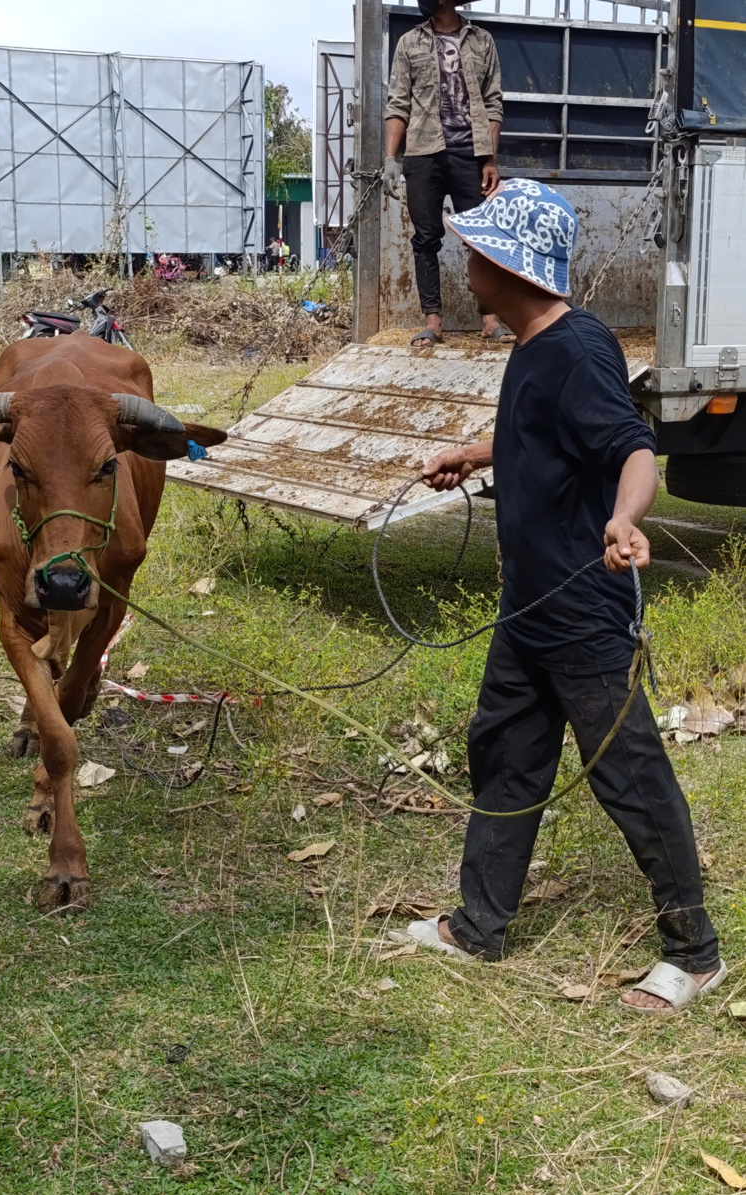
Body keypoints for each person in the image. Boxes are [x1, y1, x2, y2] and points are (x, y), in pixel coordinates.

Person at [402, 179, 725, 1014]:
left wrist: (624, 520)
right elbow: (533, 432)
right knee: (506, 753)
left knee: (629, 773)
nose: (464, 260)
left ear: (505, 262)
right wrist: (474, 455)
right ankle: (480, 923)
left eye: (474, 249)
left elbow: (633, 446)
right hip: (529, 610)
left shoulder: (577, 349)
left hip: (583, 612)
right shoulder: (533, 344)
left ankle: (695, 954)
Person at [384, 0, 512, 346]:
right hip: (423, 154)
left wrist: (490, 159)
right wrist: (391, 158)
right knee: (426, 239)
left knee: (481, 238)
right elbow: (398, 102)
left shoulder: (481, 40)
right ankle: (433, 322)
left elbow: (492, 102)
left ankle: (490, 319)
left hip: (470, 153)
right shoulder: (409, 43)